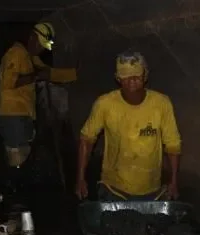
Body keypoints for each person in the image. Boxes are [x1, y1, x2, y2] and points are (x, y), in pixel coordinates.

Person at [76, 51, 182, 201]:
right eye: (125, 75)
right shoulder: (105, 104)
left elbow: (173, 145)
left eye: (136, 75)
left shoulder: (161, 104)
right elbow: (86, 139)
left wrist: (174, 182)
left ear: (145, 75)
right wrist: (80, 179)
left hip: (151, 190)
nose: (131, 80)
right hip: (113, 189)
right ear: (117, 78)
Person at [0, 22, 77, 190]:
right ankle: (13, 199)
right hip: (12, 115)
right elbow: (8, 83)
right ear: (32, 38)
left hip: (23, 116)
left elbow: (48, 73)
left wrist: (74, 74)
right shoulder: (15, 54)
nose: (41, 50)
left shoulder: (29, 57)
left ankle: (16, 194)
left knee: (22, 156)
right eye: (41, 45)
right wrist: (34, 76)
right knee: (16, 159)